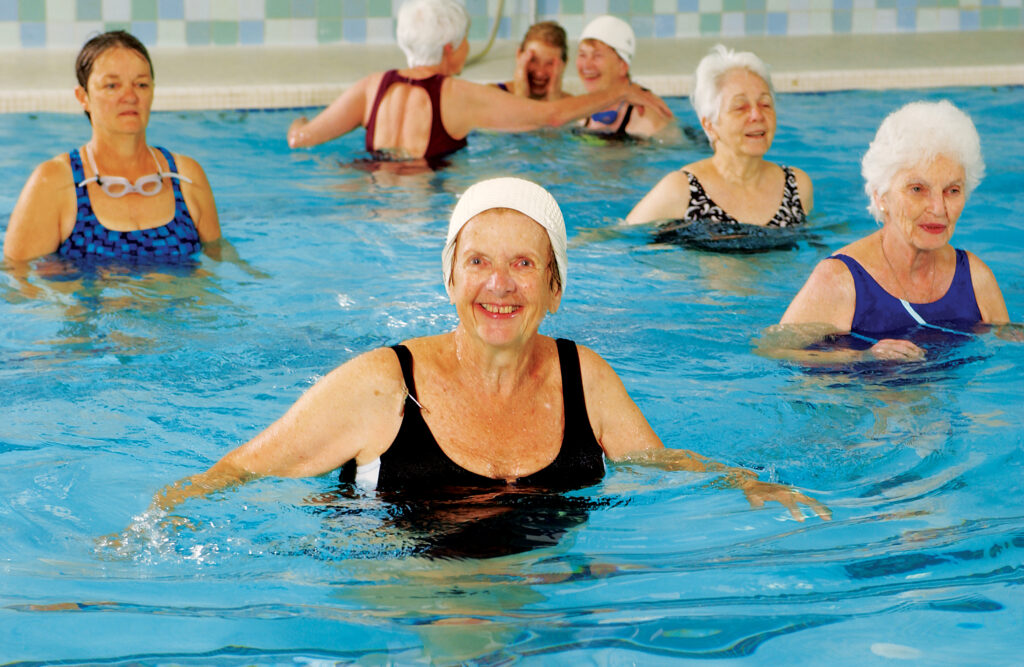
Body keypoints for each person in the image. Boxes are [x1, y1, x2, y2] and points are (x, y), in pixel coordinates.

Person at [154, 177, 829, 524]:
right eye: (477, 260)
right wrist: (146, 530)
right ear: (448, 277)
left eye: (523, 265)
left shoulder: (583, 377)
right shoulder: (383, 384)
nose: (499, 284)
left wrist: (742, 479)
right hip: (400, 603)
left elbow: (654, 460)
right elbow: (238, 471)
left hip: (540, 600)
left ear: (555, 287)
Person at [773, 100, 1010, 362]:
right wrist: (861, 358)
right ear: (881, 195)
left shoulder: (975, 278)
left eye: (952, 190)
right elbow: (773, 353)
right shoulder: (840, 280)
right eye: (917, 189)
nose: (938, 208)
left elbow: (1008, 358)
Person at [286, 0, 669, 161]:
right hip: (424, 217)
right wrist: (619, 90)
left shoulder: (372, 86)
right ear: (451, 48)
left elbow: (300, 139)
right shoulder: (457, 95)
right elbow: (552, 116)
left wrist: (299, 122)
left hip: (371, 204)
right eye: (467, 39)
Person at [4, 30, 220, 263]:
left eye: (141, 84)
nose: (130, 96)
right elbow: (20, 284)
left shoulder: (186, 176)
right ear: (83, 97)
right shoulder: (54, 182)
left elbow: (219, 264)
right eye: (112, 86)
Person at [627, 44, 812, 226]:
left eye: (765, 104)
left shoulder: (796, 186)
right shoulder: (682, 190)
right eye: (740, 107)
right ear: (709, 125)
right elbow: (619, 238)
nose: (757, 115)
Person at [575, 15, 674, 139]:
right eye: (582, 55)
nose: (586, 65)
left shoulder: (646, 116)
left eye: (597, 56)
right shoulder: (580, 113)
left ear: (623, 66)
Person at [495, 21, 570, 101]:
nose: (540, 73)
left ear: (564, 64)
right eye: (533, 60)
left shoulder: (573, 106)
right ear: (519, 55)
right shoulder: (493, 93)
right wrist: (521, 94)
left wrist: (554, 100)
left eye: (550, 63)